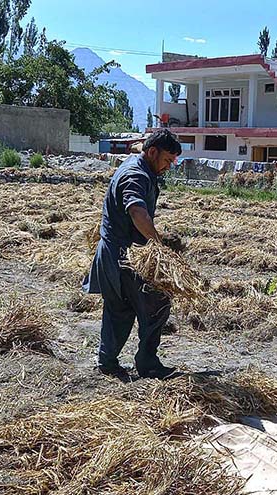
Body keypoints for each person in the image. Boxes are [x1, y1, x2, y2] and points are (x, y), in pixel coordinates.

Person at [83, 129, 182, 380]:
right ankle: (147, 363)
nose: (169, 166)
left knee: (119, 310)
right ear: (152, 152)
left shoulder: (138, 164)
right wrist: (158, 246)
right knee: (157, 303)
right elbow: (138, 212)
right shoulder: (136, 175)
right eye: (167, 160)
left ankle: (107, 362)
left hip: (115, 252)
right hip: (125, 256)